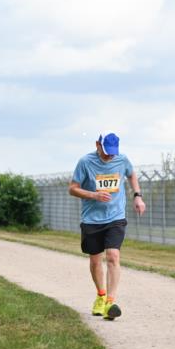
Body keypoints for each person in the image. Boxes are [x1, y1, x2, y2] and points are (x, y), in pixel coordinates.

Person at [69, 133, 145, 320]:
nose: (110, 156)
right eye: (106, 152)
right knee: (95, 260)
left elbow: (131, 174)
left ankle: (111, 302)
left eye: (113, 153)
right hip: (92, 219)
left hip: (115, 217)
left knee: (113, 255)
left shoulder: (121, 159)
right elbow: (72, 188)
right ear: (97, 145)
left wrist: (137, 195)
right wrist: (94, 195)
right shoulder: (85, 162)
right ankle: (101, 295)